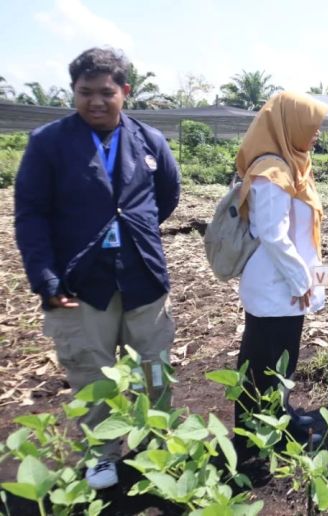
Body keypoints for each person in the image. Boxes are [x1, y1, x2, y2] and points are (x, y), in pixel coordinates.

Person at [14, 47, 180, 489]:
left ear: (125, 91)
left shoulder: (149, 141)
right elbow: (30, 215)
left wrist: (134, 231)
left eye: (106, 92)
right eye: (85, 92)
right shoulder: (48, 143)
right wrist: (45, 278)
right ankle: (101, 453)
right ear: (73, 92)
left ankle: (157, 440)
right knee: (90, 369)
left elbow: (167, 196)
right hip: (81, 280)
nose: (96, 101)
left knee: (155, 364)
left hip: (143, 274)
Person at [234, 91, 328, 452]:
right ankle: (254, 439)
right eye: (312, 124)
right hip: (279, 284)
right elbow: (273, 235)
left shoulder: (292, 164)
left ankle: (280, 416)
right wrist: (301, 279)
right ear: (290, 124)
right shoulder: (272, 173)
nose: (317, 132)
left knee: (280, 360)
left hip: (286, 284)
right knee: (265, 362)